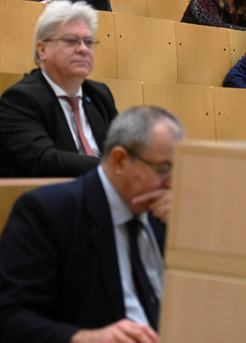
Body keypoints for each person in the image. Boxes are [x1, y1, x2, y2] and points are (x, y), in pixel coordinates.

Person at [0, 106, 184, 343]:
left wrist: (187, 233)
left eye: (180, 170)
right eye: (164, 169)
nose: (173, 183)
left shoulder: (168, 217)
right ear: (119, 160)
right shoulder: (49, 212)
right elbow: (10, 317)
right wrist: (85, 338)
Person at [0, 0, 117, 177]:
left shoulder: (99, 94)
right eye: (71, 41)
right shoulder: (19, 100)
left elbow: (126, 148)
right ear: (42, 50)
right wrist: (115, 168)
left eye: (88, 41)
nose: (83, 49)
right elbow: (46, 161)